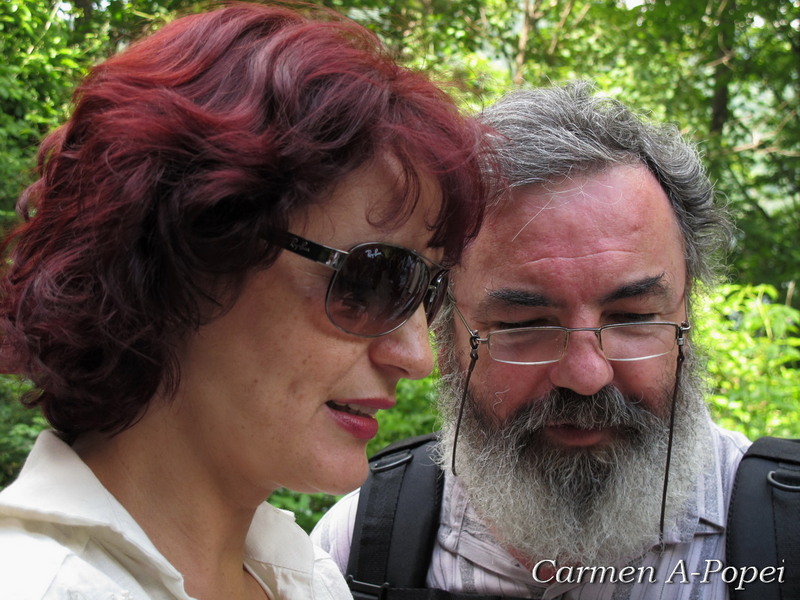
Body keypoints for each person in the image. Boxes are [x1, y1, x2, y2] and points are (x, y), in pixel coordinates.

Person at [0, 3, 495, 599]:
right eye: (373, 281)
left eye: (429, 290)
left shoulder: (307, 577)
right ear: (179, 259)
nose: (418, 357)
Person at [312, 81, 755, 599]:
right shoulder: (356, 548)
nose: (587, 376)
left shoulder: (782, 537)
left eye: (633, 316)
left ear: (687, 314)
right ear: (444, 332)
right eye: (523, 325)